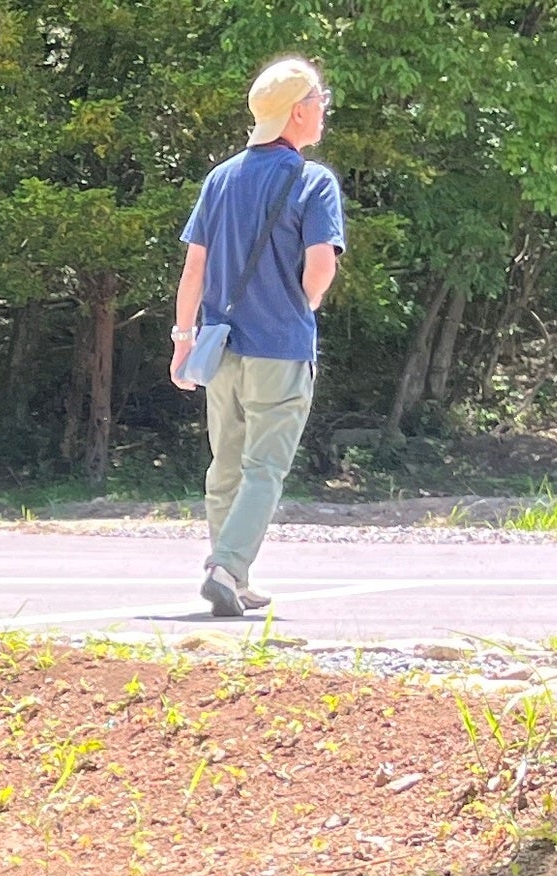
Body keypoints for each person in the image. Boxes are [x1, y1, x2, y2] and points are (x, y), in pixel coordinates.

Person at [173, 54, 347, 618]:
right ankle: (228, 567)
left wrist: (182, 340)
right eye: (320, 101)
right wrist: (306, 303)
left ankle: (231, 570)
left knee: (225, 464)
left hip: (220, 347)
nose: (324, 111)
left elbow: (194, 269)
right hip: (280, 348)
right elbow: (320, 264)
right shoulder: (312, 181)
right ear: (298, 113)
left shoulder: (220, 178)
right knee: (264, 469)